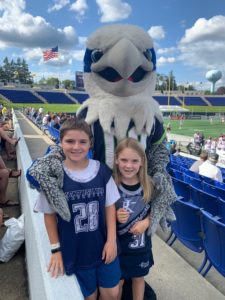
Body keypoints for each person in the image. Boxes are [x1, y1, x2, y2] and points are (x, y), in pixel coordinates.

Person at [33, 119, 121, 300]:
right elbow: (49, 215)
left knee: (111, 293)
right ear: (60, 142)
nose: (76, 147)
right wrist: (56, 250)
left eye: (82, 142)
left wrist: (111, 240)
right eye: (70, 141)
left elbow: (109, 207)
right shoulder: (53, 176)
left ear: (90, 143)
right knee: (89, 296)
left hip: (104, 245)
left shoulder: (102, 171)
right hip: (76, 250)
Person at [114, 138, 154, 300]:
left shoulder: (150, 185)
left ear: (142, 162)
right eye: (124, 160)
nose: (128, 165)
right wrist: (115, 215)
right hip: (119, 246)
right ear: (116, 160)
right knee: (119, 281)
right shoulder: (112, 183)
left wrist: (147, 222)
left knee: (138, 278)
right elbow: (103, 211)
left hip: (140, 246)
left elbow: (160, 210)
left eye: (134, 161)